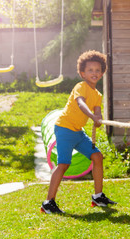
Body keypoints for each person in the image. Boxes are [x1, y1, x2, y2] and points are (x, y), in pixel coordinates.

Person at [41, 50, 117, 214]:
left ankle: (98, 196)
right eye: (90, 70)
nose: (94, 73)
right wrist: (92, 116)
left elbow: (97, 113)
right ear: (82, 73)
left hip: (77, 132)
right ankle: (48, 202)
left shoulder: (97, 94)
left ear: (102, 73)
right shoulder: (80, 87)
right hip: (64, 129)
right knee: (64, 164)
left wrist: (98, 120)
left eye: (98, 70)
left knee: (97, 156)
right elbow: (81, 104)